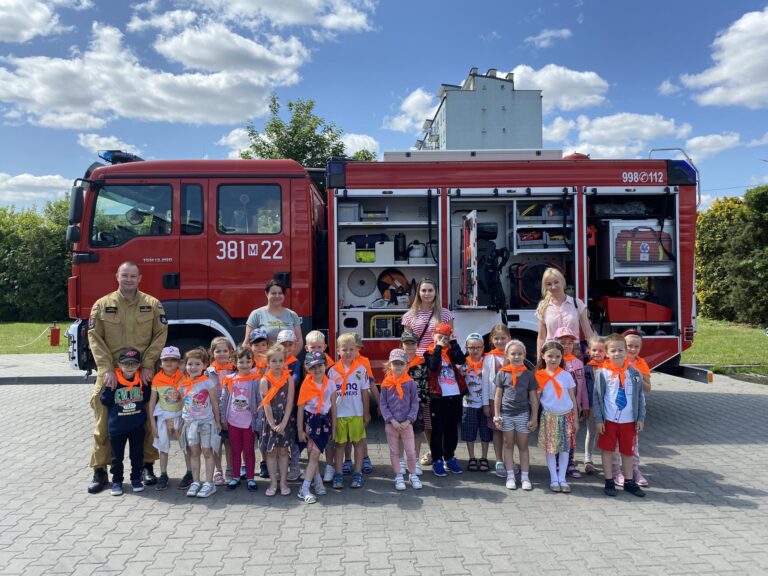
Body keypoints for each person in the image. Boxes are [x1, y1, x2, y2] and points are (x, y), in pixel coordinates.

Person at [87, 261, 167, 494]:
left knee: (146, 421)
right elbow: (95, 338)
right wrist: (106, 369)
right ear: (117, 276)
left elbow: (160, 335)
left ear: (140, 278)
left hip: (141, 374)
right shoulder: (102, 305)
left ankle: (146, 466)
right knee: (103, 424)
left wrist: (148, 364)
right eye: (125, 275)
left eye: (133, 276)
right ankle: (100, 471)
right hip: (111, 374)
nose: (129, 279)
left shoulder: (152, 305)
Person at [401, 278, 454, 467]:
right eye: (423, 290)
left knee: (438, 412)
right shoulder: (409, 316)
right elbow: (406, 343)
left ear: (436, 292)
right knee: (424, 411)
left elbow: (449, 340)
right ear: (418, 293)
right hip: (417, 368)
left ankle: (443, 451)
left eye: (430, 290)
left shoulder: (445, 314)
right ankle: (433, 451)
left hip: (438, 367)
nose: (427, 294)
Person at [593, 334, 646, 498]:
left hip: (629, 421)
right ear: (607, 353)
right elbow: (597, 397)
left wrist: (640, 417)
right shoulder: (602, 374)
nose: (617, 354)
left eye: (621, 350)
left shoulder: (635, 373)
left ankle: (629, 481)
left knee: (627, 452)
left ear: (626, 351)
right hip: (609, 421)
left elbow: (640, 397)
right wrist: (599, 419)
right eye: (613, 351)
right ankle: (609, 480)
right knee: (608, 450)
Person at [100, 348, 152, 496]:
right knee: (117, 457)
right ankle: (117, 481)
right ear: (119, 364)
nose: (130, 367)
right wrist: (110, 389)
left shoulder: (141, 381)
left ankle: (136, 478)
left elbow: (146, 397)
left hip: (136, 425)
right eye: (126, 364)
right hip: (117, 427)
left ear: (139, 365)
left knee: (137, 455)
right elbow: (104, 400)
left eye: (133, 364)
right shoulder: (113, 380)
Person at [493, 340, 538, 491]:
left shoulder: (529, 374)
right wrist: (497, 416)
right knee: (508, 444)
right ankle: (510, 475)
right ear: (507, 355)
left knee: (523, 445)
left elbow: (533, 397)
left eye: (520, 354)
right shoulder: (502, 373)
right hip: (506, 415)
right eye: (513, 354)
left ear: (524, 355)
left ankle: (525, 477)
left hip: (522, 414)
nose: (517, 356)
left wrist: (534, 417)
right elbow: (498, 397)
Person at [535, 341, 579, 493]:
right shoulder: (539, 375)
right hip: (549, 417)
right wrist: (534, 417)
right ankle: (554, 478)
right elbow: (536, 399)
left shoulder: (566, 375)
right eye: (550, 356)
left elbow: (573, 398)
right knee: (551, 449)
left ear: (562, 357)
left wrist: (576, 419)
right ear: (543, 356)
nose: (554, 359)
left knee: (565, 449)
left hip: (566, 416)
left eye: (557, 356)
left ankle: (562, 478)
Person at [424, 323, 467, 477]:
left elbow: (461, 360)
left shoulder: (451, 353)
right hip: (438, 397)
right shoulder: (429, 353)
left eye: (446, 337)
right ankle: (437, 459)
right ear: (433, 337)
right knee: (438, 430)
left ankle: (449, 456)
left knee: (452, 430)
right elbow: (434, 367)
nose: (443, 340)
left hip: (454, 396)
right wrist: (438, 347)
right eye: (440, 336)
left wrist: (453, 343)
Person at [329, 333, 371, 490]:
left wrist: (366, 413)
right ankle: (338, 474)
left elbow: (364, 392)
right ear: (338, 351)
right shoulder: (332, 371)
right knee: (339, 445)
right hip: (339, 414)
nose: (348, 353)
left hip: (356, 413)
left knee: (358, 444)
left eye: (351, 349)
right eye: (344, 349)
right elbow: (330, 396)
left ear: (356, 351)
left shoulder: (361, 369)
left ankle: (357, 473)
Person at [179, 347, 222, 498]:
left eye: (197, 364)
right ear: (185, 366)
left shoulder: (208, 383)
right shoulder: (182, 385)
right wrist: (181, 424)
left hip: (206, 423)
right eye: (190, 364)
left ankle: (209, 483)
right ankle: (196, 481)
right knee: (194, 453)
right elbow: (182, 405)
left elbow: (215, 403)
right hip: (190, 424)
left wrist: (218, 421)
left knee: (207, 452)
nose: (193, 367)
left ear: (204, 366)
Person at [612, 329, 652, 487]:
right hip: (616, 410)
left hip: (633, 410)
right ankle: (616, 472)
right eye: (629, 346)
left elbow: (648, 388)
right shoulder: (616, 361)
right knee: (614, 443)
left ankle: (635, 470)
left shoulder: (641, 364)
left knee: (633, 442)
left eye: (636, 346)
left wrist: (638, 376)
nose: (632, 349)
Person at [380, 349, 422, 491]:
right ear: (389, 365)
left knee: (410, 451)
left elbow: (414, 403)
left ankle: (412, 474)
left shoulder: (410, 384)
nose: (398, 366)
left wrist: (409, 420)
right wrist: (391, 420)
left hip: (406, 424)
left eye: (401, 363)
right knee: (395, 452)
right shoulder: (385, 384)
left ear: (406, 365)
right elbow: (383, 404)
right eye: (395, 363)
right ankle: (398, 475)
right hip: (392, 424)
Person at [149, 346, 190, 491]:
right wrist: (153, 424)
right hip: (164, 416)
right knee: (163, 447)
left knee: (185, 445)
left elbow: (187, 399)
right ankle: (164, 474)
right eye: (166, 360)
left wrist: (184, 420)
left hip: (180, 415)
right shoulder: (157, 378)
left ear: (178, 363)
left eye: (173, 360)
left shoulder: (183, 377)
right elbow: (152, 403)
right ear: (161, 363)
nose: (169, 363)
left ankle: (189, 472)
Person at [297, 352, 336, 504]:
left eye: (320, 365)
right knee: (313, 455)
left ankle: (317, 480)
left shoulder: (330, 384)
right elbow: (300, 408)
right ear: (307, 368)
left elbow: (333, 407)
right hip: (310, 421)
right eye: (313, 367)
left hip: (324, 422)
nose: (317, 369)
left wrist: (334, 426)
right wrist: (300, 430)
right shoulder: (306, 385)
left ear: (325, 366)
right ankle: (304, 488)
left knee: (315, 454)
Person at [221, 346, 262, 492]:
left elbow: (260, 400)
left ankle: (250, 477)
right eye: (241, 362)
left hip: (249, 422)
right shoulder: (230, 379)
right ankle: (235, 477)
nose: (245, 365)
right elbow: (224, 399)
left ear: (252, 362)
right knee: (235, 450)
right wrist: (223, 418)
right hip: (233, 421)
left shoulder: (255, 379)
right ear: (234, 362)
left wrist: (258, 420)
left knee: (249, 450)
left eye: (248, 361)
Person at [259, 343, 295, 497]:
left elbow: (289, 402)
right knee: (271, 452)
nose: (277, 364)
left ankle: (283, 483)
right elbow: (265, 403)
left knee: (283, 451)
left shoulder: (289, 380)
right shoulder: (264, 380)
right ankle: (273, 482)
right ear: (268, 363)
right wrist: (273, 424)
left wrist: (284, 422)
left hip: (284, 419)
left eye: (280, 361)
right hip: (270, 420)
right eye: (274, 361)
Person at [535, 267, 593, 357]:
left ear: (563, 281)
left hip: (574, 352)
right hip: (551, 353)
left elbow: (588, 333)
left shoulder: (577, 303)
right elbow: (541, 337)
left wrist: (595, 352)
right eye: (549, 284)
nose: (553, 287)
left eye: (556, 282)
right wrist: (539, 359)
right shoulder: (543, 307)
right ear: (545, 287)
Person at [555, 327, 588, 478]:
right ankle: (556, 462)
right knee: (557, 436)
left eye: (569, 343)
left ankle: (569, 463)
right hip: (556, 408)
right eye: (562, 343)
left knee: (571, 436)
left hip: (573, 408)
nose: (566, 346)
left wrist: (584, 406)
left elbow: (582, 387)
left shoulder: (578, 364)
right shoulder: (554, 362)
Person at [482, 324, 511, 478]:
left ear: (509, 338)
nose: (500, 341)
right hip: (495, 400)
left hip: (512, 401)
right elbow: (485, 381)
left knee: (510, 433)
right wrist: (486, 402)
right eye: (497, 338)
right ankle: (499, 460)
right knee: (497, 431)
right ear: (491, 340)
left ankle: (509, 461)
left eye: (503, 338)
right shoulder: (489, 358)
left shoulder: (514, 355)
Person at [461, 333, 492, 472]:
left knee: (485, 432)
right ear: (467, 348)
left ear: (483, 347)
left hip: (485, 404)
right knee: (469, 432)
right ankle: (472, 457)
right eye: (471, 347)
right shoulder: (463, 363)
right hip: (469, 404)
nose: (475, 350)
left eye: (478, 347)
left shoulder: (488, 362)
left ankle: (484, 457)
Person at [244, 279, 303, 349]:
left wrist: (288, 359)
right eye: (273, 293)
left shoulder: (292, 315)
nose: (277, 296)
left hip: (287, 358)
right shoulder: (256, 314)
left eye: (280, 293)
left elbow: (299, 342)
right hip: (263, 359)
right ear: (266, 293)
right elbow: (247, 343)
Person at [207, 336, 235, 485]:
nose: (222, 353)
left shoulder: (235, 369)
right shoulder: (208, 372)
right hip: (212, 412)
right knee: (216, 443)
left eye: (225, 350)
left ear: (230, 352)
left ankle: (229, 469)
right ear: (212, 353)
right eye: (218, 351)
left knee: (229, 443)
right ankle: (218, 470)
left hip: (231, 412)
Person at [277, 329, 304, 482]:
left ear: (294, 346)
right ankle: (280, 467)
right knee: (280, 439)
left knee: (292, 438)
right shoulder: (275, 361)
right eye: (283, 345)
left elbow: (295, 379)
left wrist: (278, 380)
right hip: (277, 407)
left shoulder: (295, 363)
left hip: (292, 407)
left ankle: (294, 467)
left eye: (290, 345)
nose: (287, 348)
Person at [401, 331, 427, 476]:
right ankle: (401, 461)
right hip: (398, 407)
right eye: (407, 343)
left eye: (412, 343)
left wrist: (421, 403)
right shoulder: (397, 362)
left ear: (417, 345)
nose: (410, 346)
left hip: (415, 406)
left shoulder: (422, 363)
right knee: (400, 435)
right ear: (402, 345)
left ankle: (415, 461)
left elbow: (425, 385)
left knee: (416, 434)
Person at [583, 335, 606, 475]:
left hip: (608, 407)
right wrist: (584, 405)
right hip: (591, 406)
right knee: (591, 432)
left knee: (606, 434)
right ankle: (588, 459)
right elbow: (583, 389)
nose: (597, 353)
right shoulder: (586, 369)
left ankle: (608, 461)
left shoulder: (610, 368)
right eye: (594, 350)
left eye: (600, 350)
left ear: (606, 352)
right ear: (589, 352)